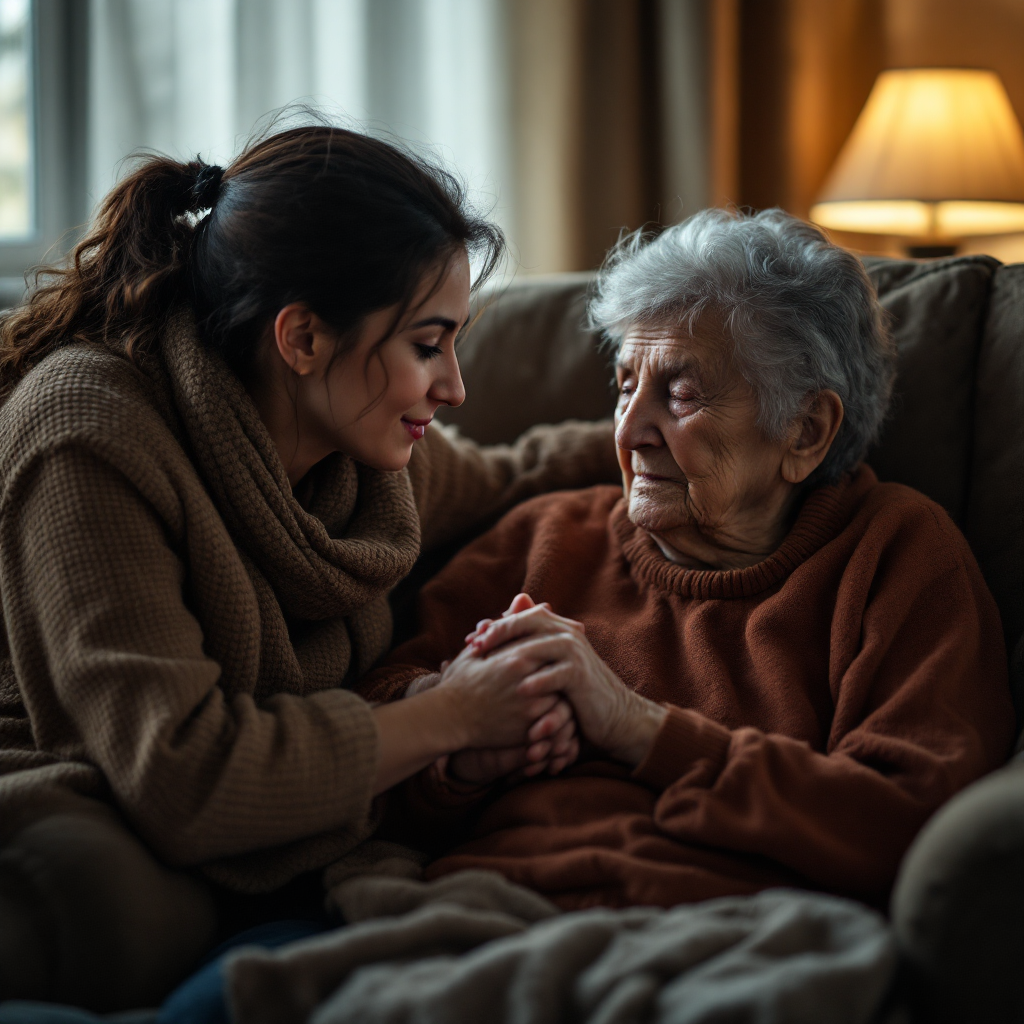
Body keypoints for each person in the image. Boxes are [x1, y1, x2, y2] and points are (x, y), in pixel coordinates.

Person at [0, 125, 615, 1010]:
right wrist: (455, 714)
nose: (455, 388)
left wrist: (670, 440)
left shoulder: (364, 453)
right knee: (116, 909)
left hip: (237, 790)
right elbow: (186, 777)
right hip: (73, 776)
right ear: (302, 338)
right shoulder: (87, 433)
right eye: (427, 344)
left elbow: (520, 470)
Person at [362, 208, 1015, 911]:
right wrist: (459, 748)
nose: (630, 430)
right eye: (623, 386)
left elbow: (911, 823)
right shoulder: (545, 538)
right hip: (481, 905)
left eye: (680, 393)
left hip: (724, 927)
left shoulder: (897, 556)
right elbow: (372, 741)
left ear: (805, 430)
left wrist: (636, 726)